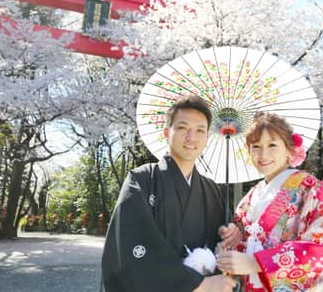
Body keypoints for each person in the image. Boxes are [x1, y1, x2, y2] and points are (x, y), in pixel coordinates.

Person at [101, 95, 239, 292]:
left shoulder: (212, 190)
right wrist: (197, 284)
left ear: (207, 138)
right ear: (167, 132)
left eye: (200, 130)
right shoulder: (141, 180)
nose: (192, 137)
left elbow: (223, 249)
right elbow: (130, 247)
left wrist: (231, 233)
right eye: (183, 128)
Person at [216, 112, 323, 292]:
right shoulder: (249, 198)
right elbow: (244, 244)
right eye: (255, 146)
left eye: (272, 145)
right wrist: (232, 237)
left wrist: (256, 262)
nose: (263, 154)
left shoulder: (308, 186)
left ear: (289, 150)